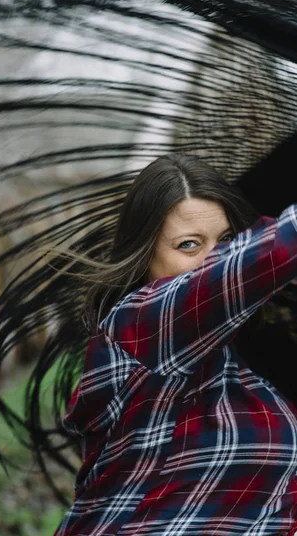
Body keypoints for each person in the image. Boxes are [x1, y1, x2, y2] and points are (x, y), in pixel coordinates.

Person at [54, 153, 297, 536]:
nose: (212, 260)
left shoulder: (239, 372)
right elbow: (275, 250)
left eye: (227, 241)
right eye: (188, 245)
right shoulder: (137, 326)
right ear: (145, 255)